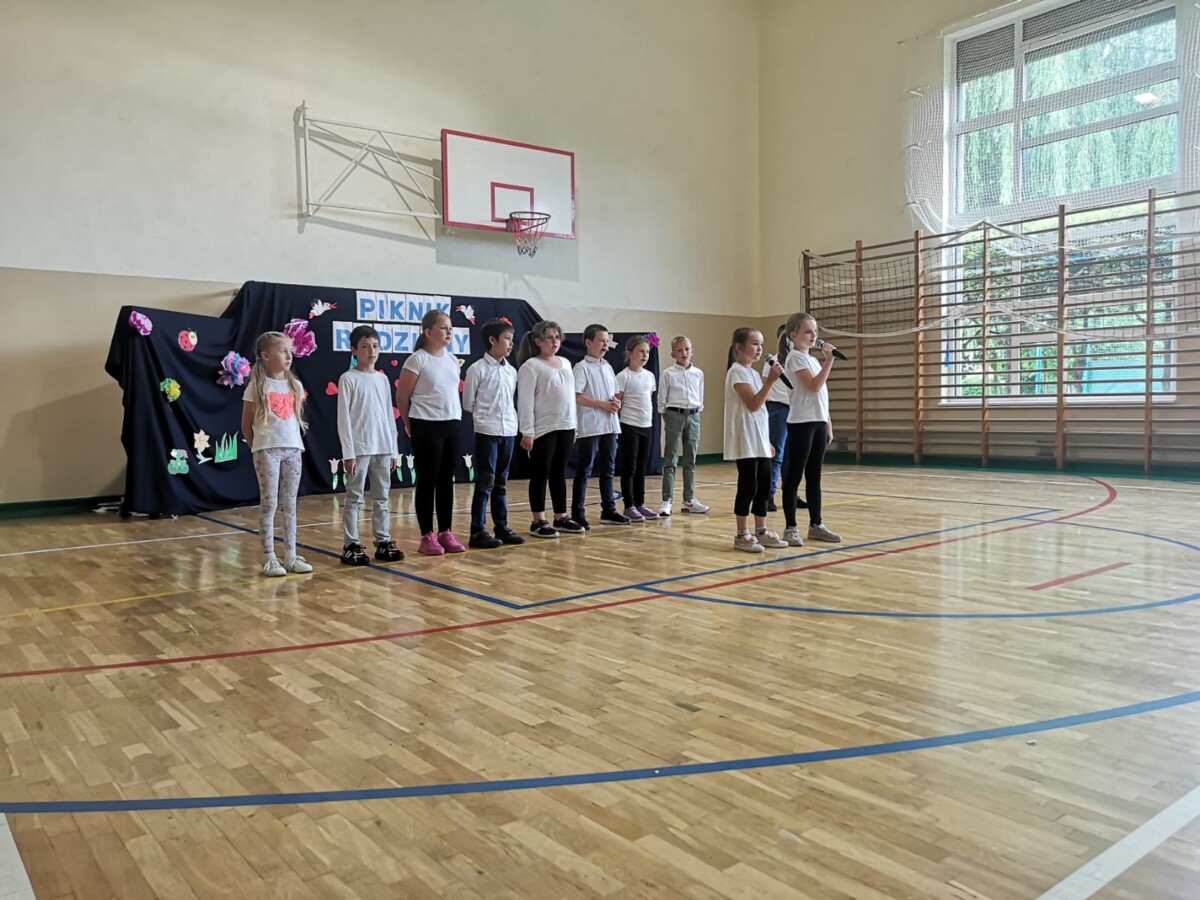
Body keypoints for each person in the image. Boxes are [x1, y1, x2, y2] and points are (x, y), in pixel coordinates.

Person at [240, 331, 313, 576]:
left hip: (293, 449)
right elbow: (246, 424)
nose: (289, 356)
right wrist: (257, 447)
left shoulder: (295, 385)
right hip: (267, 451)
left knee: (290, 503)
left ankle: (291, 555)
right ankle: (270, 556)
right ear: (265, 356)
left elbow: (294, 418)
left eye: (290, 351)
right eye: (282, 351)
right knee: (270, 502)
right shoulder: (256, 386)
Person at [395, 309, 466, 556]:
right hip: (425, 424)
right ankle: (427, 535)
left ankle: (446, 531)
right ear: (428, 332)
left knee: (447, 479)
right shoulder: (417, 360)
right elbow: (402, 397)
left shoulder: (452, 360)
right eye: (444, 327)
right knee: (427, 480)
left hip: (452, 423)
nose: (449, 332)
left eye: (450, 328)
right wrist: (409, 423)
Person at [337, 325, 403, 565]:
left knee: (382, 497)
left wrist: (394, 450)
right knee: (354, 497)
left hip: (382, 447)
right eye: (365, 347)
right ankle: (351, 543)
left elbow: (388, 415)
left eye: (375, 346)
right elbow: (344, 419)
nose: (371, 351)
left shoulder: (383, 379)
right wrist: (349, 453)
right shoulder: (348, 379)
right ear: (354, 350)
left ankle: (383, 540)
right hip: (360, 448)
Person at [517, 320, 585, 538]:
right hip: (543, 428)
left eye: (557, 337)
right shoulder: (531, 366)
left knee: (559, 473)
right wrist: (528, 431)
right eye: (549, 338)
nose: (554, 341)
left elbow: (570, 398)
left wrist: (574, 426)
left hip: (565, 425)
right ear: (538, 341)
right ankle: (538, 520)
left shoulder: (565, 363)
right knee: (540, 473)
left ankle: (561, 516)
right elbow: (525, 401)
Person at [779, 312, 842, 546]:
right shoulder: (795, 358)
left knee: (814, 476)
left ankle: (817, 524)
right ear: (793, 335)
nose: (813, 335)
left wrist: (828, 422)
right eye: (808, 331)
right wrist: (829, 360)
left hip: (817, 422)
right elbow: (814, 386)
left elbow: (822, 396)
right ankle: (790, 527)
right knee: (794, 476)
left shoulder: (813, 360)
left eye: (815, 331)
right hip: (801, 423)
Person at [724, 327, 788, 553]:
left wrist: (766, 440)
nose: (759, 348)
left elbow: (761, 412)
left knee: (764, 484)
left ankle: (761, 530)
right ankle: (742, 534)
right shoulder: (737, 372)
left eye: (761, 344)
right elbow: (753, 404)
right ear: (739, 347)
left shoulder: (752, 373)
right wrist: (771, 381)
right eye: (754, 344)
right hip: (745, 438)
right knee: (748, 485)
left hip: (758, 439)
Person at [462, 318, 525, 549]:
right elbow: (468, 403)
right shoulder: (477, 369)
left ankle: (502, 526)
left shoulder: (511, 371)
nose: (511, 344)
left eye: (511, 339)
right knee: (485, 481)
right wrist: (486, 417)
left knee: (501, 482)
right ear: (492, 340)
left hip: (508, 430)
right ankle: (477, 530)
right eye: (506, 338)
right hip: (487, 431)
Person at [572, 324, 630, 528]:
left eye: (607, 341)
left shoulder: (607, 367)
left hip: (610, 424)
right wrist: (602, 405)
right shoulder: (581, 367)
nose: (605, 345)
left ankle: (609, 510)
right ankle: (577, 513)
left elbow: (613, 394)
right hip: (591, 425)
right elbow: (576, 396)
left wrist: (616, 402)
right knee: (585, 469)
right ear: (588, 343)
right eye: (601, 341)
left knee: (608, 469)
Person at [657, 335, 709, 516]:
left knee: (690, 460)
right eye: (679, 350)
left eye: (687, 349)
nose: (684, 353)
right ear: (673, 354)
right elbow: (662, 401)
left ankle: (689, 499)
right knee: (670, 459)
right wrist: (669, 419)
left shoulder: (698, 373)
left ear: (692, 351)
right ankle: (667, 499)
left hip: (694, 416)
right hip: (674, 415)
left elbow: (700, 397)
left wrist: (696, 412)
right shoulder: (667, 374)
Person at [615, 335, 659, 521]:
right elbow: (617, 402)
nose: (645, 355)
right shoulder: (623, 376)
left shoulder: (649, 376)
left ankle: (640, 503)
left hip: (646, 426)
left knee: (642, 467)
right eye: (641, 351)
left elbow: (648, 399)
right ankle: (629, 505)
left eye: (647, 352)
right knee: (629, 467)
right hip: (629, 426)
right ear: (629, 353)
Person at [764, 323, 807, 514]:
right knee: (777, 455)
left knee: (793, 456)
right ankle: (769, 495)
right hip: (778, 409)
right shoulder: (773, 362)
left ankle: (791, 495)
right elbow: (765, 388)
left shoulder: (799, 360)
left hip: (796, 409)